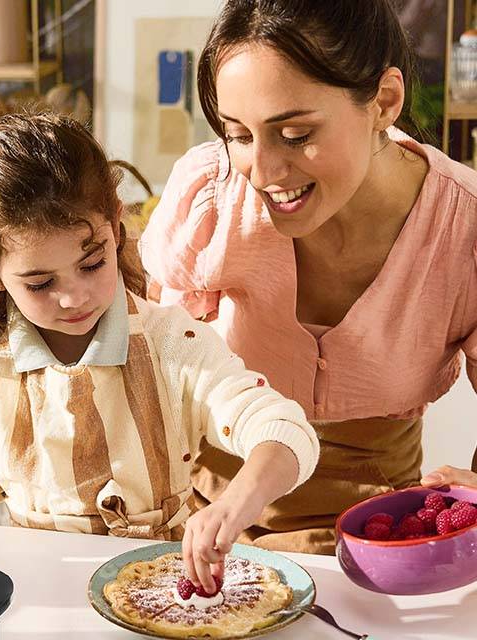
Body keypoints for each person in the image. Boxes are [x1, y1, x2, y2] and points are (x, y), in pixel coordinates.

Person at [0, 112, 319, 592]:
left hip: (170, 596)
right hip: (42, 601)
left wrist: (237, 501)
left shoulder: (176, 346)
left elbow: (285, 430)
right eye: (40, 282)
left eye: (92, 263)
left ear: (116, 226)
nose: (75, 297)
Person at [138, 0, 477, 553]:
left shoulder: (466, 228)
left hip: (374, 531)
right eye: (239, 135)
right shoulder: (209, 200)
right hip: (206, 518)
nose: (264, 173)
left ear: (385, 102)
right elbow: (156, 360)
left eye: (295, 134)